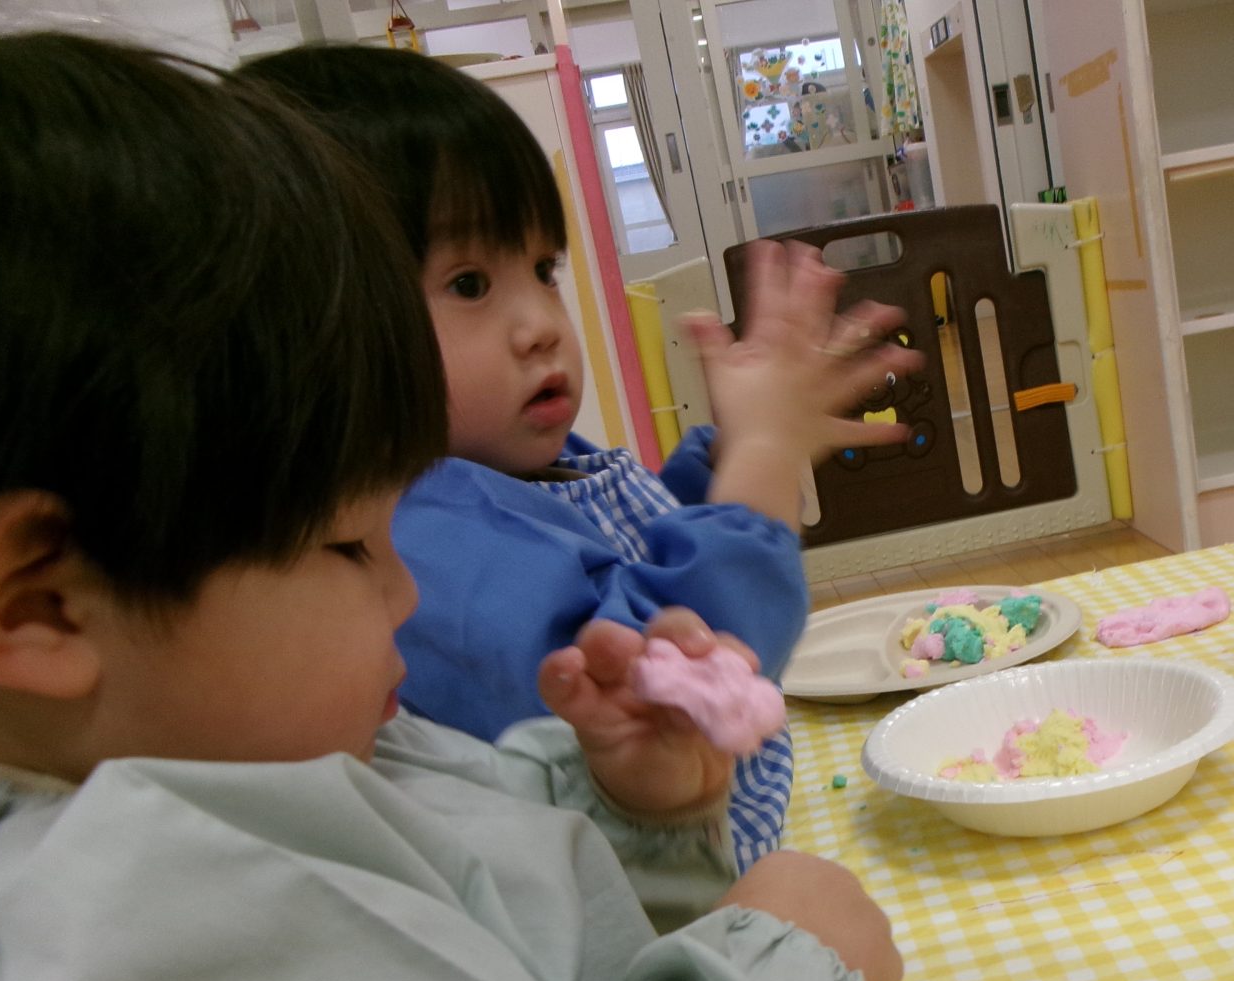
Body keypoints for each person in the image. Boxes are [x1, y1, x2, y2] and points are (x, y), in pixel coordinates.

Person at [0, 31, 907, 981]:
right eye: (353, 547)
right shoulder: (105, 957)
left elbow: (507, 928)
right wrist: (785, 967)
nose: (405, 594)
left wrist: (636, 813)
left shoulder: (216, 761)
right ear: (42, 602)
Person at [237, 45, 919, 868]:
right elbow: (657, 685)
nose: (541, 325)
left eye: (542, 269)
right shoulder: (420, 538)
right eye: (468, 284)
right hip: (663, 892)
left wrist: (730, 454)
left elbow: (621, 558)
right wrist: (762, 461)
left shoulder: (513, 467)